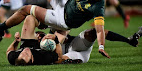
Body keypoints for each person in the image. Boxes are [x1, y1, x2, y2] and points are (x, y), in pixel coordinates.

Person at [8, 15, 139, 65]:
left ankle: (129, 40)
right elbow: (58, 57)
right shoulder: (41, 54)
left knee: (92, 32)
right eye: (37, 35)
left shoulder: (49, 36)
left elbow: (65, 29)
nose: (24, 51)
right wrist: (57, 41)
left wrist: (15, 42)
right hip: (75, 53)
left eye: (39, 33)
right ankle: (72, 61)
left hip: (74, 44)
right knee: (61, 59)